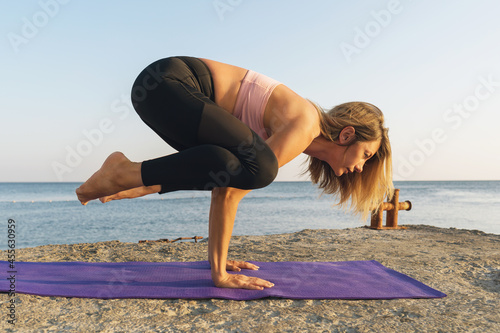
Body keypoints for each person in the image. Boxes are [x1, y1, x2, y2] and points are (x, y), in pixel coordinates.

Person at [76, 56, 393, 290]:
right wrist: (220, 276)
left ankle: (132, 176)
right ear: (347, 135)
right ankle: (126, 172)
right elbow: (231, 192)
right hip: (168, 83)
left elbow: (224, 180)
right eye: (366, 155)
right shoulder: (305, 125)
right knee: (262, 170)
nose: (361, 167)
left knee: (238, 167)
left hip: (159, 90)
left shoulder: (300, 132)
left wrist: (219, 259)